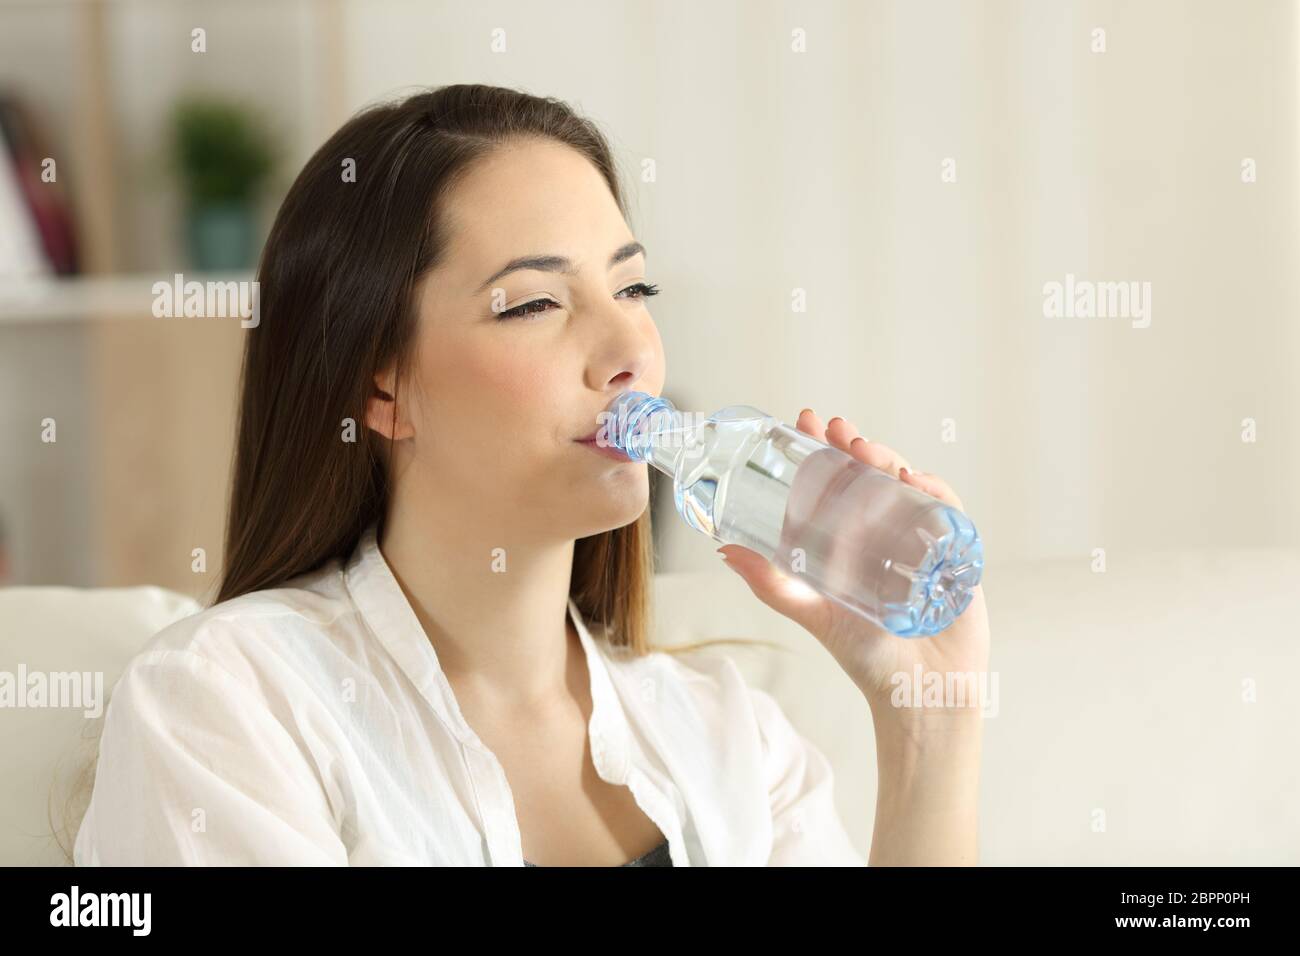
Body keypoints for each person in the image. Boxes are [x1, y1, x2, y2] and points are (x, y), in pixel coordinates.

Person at [72, 84, 989, 866]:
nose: (631, 348)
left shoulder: (729, 738)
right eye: (537, 303)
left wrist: (930, 724)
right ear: (379, 386)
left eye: (634, 289)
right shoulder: (231, 702)